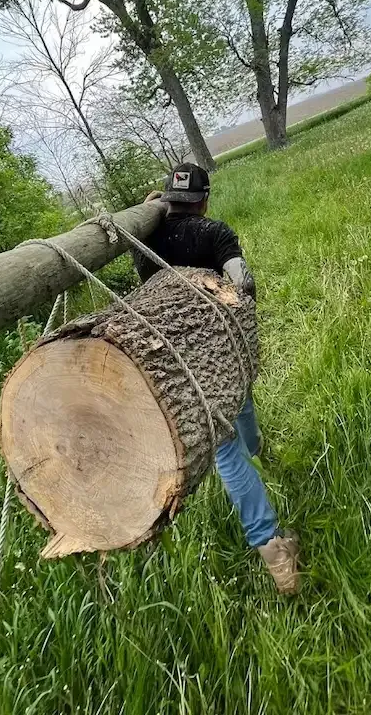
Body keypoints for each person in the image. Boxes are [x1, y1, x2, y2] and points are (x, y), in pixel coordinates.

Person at [135, 162, 300, 594]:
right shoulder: (215, 233)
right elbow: (243, 282)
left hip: (179, 364)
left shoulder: (146, 241)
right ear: (204, 199)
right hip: (224, 353)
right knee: (237, 416)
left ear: (169, 200)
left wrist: (149, 208)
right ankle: (273, 545)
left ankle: (260, 463)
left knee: (230, 441)